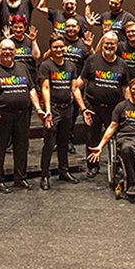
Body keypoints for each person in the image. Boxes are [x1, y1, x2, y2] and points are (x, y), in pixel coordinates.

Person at [0, 39, 43, 193]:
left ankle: (20, 179)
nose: (7, 52)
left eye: (11, 49)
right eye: (4, 49)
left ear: (15, 51)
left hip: (22, 114)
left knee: (21, 147)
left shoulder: (22, 67)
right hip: (2, 115)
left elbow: (31, 89)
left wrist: (38, 108)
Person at [37, 34, 87, 190]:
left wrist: (83, 108)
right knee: (50, 143)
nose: (58, 50)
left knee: (64, 143)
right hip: (54, 110)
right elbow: (45, 88)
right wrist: (47, 110)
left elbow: (75, 89)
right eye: (55, 47)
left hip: (68, 109)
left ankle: (63, 172)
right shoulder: (46, 66)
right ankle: (44, 175)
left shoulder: (71, 66)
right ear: (50, 49)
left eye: (61, 46)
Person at [79, 32, 130, 178]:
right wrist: (72, 93)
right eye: (106, 43)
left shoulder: (122, 64)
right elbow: (82, 80)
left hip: (114, 107)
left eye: (112, 43)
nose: (109, 46)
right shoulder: (92, 60)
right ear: (102, 44)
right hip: (93, 106)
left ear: (116, 45)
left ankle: (118, 164)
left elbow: (125, 88)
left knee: (116, 137)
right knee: (92, 137)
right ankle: (92, 166)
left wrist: (128, 106)